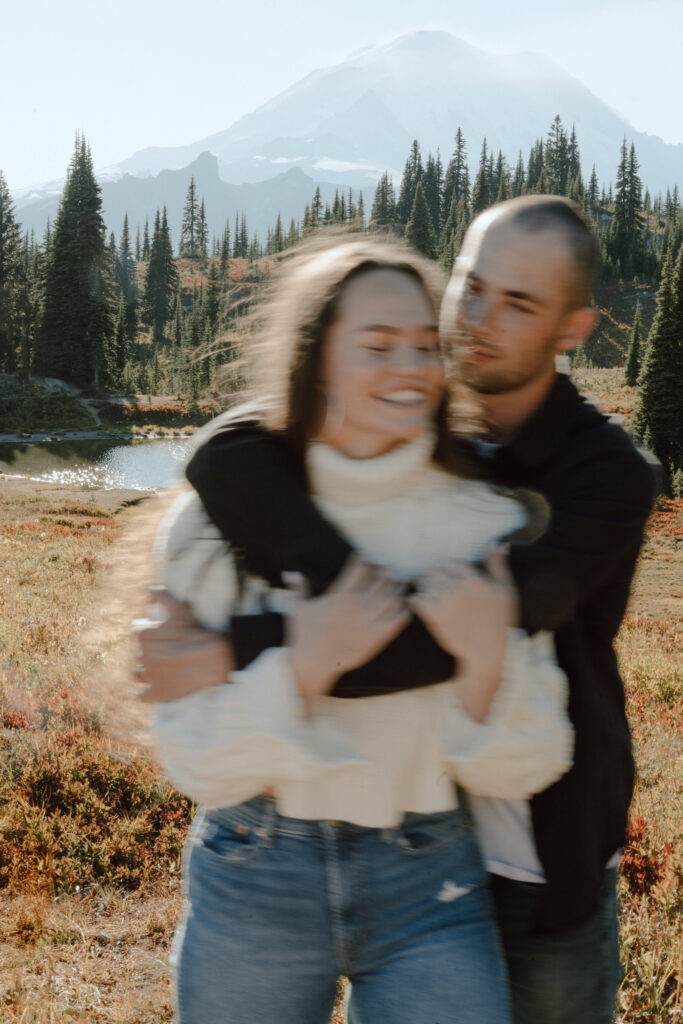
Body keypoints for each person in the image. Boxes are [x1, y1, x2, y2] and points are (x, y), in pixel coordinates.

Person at [140, 197, 656, 1024]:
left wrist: (237, 648)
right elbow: (237, 441)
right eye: (468, 286)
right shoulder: (378, 412)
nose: (474, 321)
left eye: (518, 304)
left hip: (530, 848)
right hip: (356, 837)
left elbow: (437, 641)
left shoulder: (599, 479)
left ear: (573, 327)